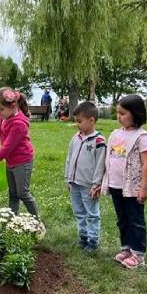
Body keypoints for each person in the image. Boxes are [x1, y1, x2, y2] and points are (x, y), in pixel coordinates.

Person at [101, 94, 147, 269]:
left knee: (135, 219)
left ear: (135, 114)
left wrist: (143, 188)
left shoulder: (142, 137)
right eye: (117, 113)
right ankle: (126, 248)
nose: (118, 117)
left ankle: (138, 253)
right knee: (122, 219)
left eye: (122, 113)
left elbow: (146, 164)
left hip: (132, 187)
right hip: (116, 185)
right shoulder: (115, 134)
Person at [0, 87, 39, 216]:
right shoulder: (3, 115)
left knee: (22, 193)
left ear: (13, 106)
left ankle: (36, 219)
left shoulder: (19, 124)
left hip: (22, 162)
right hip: (10, 161)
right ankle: (13, 219)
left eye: (0, 109)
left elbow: (5, 149)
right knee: (13, 193)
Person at [64, 101, 106, 251]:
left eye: (79, 121)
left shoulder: (99, 141)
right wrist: (68, 178)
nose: (77, 125)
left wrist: (96, 184)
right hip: (74, 183)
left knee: (92, 213)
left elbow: (101, 165)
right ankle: (83, 236)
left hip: (89, 185)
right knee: (79, 212)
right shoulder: (75, 138)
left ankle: (93, 240)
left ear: (91, 120)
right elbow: (69, 158)